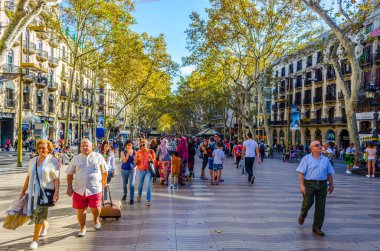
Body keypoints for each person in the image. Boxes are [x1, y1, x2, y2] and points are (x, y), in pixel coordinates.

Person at [20, 140, 60, 250]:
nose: (41, 150)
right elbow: (29, 177)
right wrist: (23, 191)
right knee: (36, 214)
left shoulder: (53, 161)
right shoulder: (33, 161)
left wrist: (56, 192)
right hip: (33, 192)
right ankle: (45, 224)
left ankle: (35, 240)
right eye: (39, 148)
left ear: (49, 149)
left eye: (44, 148)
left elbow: (56, 178)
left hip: (46, 192)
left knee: (38, 215)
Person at [66, 139, 108, 237]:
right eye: (82, 146)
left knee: (96, 208)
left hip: (95, 189)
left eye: (86, 146)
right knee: (81, 210)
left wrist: (104, 183)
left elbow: (105, 171)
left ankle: (95, 219)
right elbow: (70, 173)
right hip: (79, 190)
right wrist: (69, 187)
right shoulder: (76, 159)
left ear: (92, 146)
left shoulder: (98, 157)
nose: (84, 147)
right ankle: (82, 227)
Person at [296, 141, 335, 236]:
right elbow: (301, 172)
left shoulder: (325, 160)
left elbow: (329, 173)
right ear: (311, 148)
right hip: (309, 183)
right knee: (308, 203)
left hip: (322, 184)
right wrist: (302, 185)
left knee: (321, 207)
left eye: (320, 145)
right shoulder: (306, 159)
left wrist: (331, 184)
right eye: (317, 145)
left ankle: (317, 227)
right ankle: (303, 215)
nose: (319, 146)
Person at [135, 139, 156, 206]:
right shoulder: (138, 152)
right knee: (140, 185)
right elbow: (136, 163)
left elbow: (154, 161)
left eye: (143, 145)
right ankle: (139, 195)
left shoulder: (151, 151)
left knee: (148, 185)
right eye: (141, 145)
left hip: (148, 171)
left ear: (147, 144)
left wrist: (151, 159)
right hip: (141, 171)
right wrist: (137, 160)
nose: (142, 146)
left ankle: (148, 200)